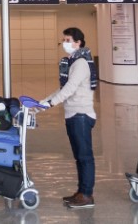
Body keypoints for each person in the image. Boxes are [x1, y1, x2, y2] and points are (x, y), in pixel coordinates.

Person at [42, 27, 98, 209]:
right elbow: (63, 88)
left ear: (78, 42)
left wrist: (51, 104)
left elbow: (70, 89)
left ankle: (87, 195)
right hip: (73, 114)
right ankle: (81, 192)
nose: (64, 43)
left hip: (81, 114)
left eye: (68, 40)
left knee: (84, 157)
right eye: (63, 39)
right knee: (79, 157)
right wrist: (41, 103)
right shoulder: (73, 62)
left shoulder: (80, 63)